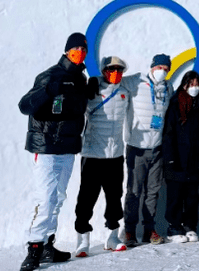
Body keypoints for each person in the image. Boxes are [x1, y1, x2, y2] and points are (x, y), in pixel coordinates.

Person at [18, 32, 89, 271]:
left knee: (58, 198)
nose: (79, 52)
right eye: (75, 48)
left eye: (83, 49)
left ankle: (48, 244)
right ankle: (34, 248)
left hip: (68, 148)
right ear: (67, 50)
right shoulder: (49, 75)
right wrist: (48, 90)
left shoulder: (81, 79)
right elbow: (24, 106)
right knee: (45, 200)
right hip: (47, 148)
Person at [74, 56, 132, 257]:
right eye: (111, 69)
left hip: (115, 155)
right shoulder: (92, 89)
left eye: (119, 70)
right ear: (103, 70)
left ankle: (113, 236)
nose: (115, 73)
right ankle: (82, 239)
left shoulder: (125, 92)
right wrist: (85, 90)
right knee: (87, 197)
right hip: (92, 154)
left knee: (115, 197)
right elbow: (77, 105)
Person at [121, 54, 174, 246]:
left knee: (153, 192)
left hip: (157, 148)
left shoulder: (169, 87)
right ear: (152, 67)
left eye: (166, 69)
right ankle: (129, 231)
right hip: (137, 147)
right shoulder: (135, 81)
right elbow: (113, 82)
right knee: (134, 191)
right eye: (159, 67)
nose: (163, 71)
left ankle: (149, 229)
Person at [162, 70, 199, 243]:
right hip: (177, 159)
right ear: (184, 85)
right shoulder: (175, 105)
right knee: (175, 195)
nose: (194, 88)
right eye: (191, 84)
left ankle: (190, 225)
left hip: (194, 159)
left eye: (197, 85)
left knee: (192, 196)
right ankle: (174, 226)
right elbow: (169, 134)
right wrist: (170, 158)